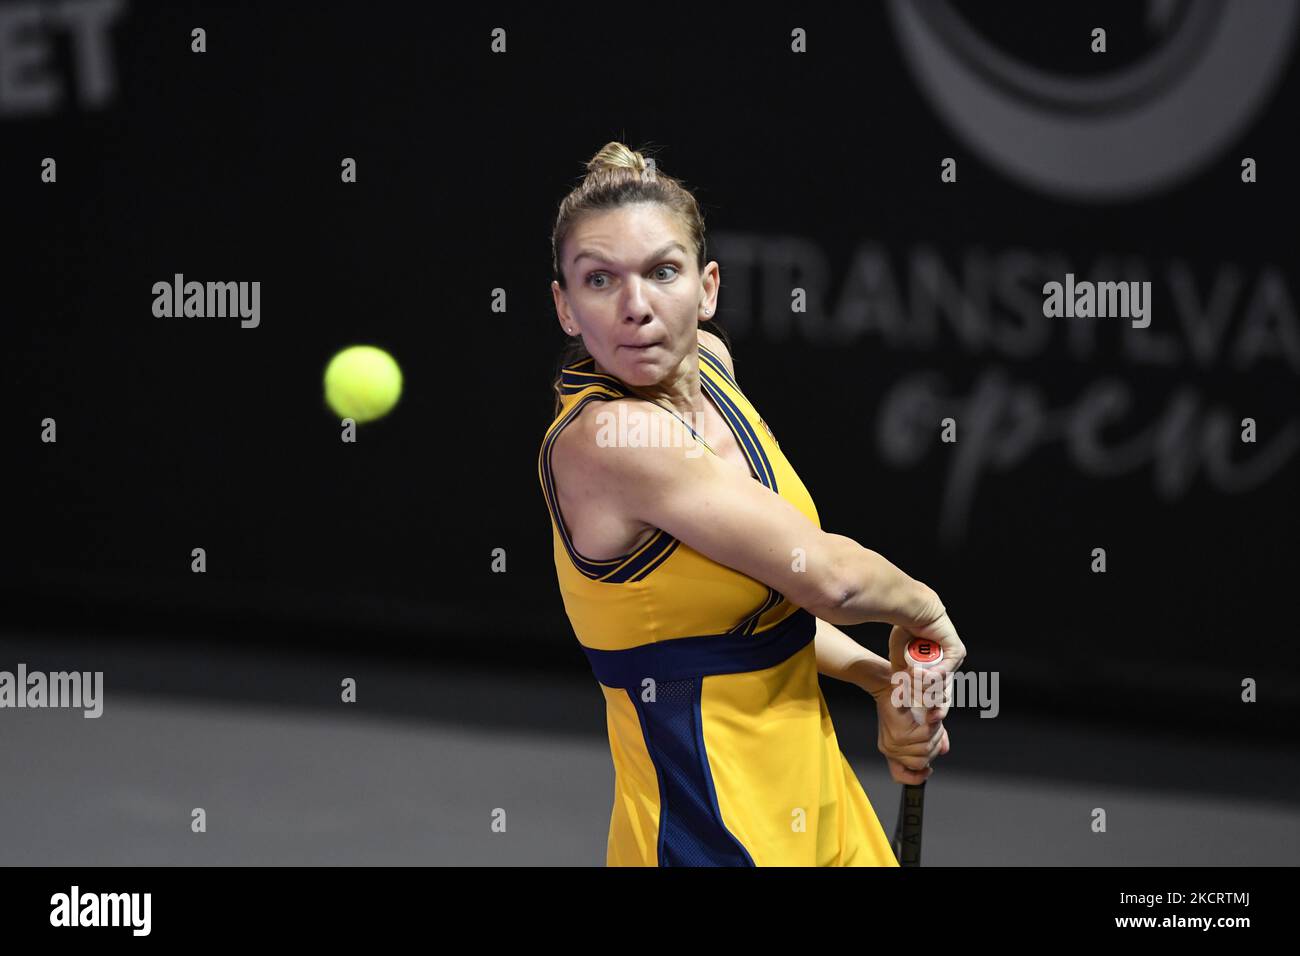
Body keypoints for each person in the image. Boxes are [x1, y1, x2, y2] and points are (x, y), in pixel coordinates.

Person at [538, 142, 966, 866]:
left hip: (819, 793)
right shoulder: (610, 442)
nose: (636, 306)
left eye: (662, 272)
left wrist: (875, 677)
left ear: (706, 289)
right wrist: (923, 611)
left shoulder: (712, 368)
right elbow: (830, 579)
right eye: (600, 280)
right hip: (710, 826)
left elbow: (754, 615)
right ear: (566, 308)